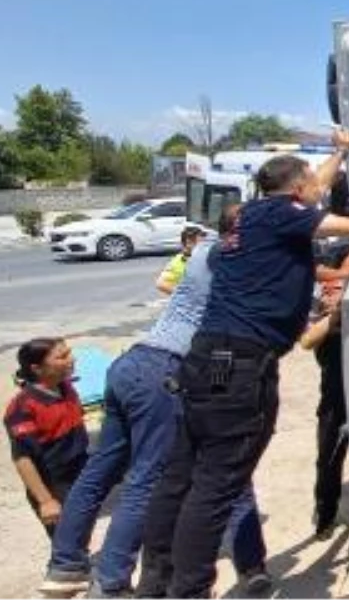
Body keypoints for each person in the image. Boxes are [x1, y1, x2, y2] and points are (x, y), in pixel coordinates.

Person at [137, 150, 349, 597]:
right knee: (214, 490)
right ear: (297, 190)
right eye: (311, 185)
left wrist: (340, 151)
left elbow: (316, 185)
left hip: (206, 361)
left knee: (180, 478)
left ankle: (154, 584)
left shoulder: (247, 218)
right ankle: (188, 591)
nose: (319, 189)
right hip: (240, 370)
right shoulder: (280, 215)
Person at [41, 206, 273, 598]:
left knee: (102, 468)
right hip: (167, 372)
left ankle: (65, 566)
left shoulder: (203, 252)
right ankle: (112, 584)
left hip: (134, 363)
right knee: (148, 481)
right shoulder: (227, 255)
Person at [299, 239, 349, 540]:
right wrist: (334, 317)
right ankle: (325, 513)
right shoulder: (322, 296)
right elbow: (307, 341)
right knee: (330, 450)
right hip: (336, 392)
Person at [3, 338, 85, 538]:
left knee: (81, 535)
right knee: (66, 543)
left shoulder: (65, 387)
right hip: (54, 484)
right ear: (37, 368)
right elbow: (23, 459)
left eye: (69, 353)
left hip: (78, 474)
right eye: (62, 357)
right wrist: (46, 500)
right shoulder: (23, 407)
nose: (71, 359)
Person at [156, 226, 205, 295]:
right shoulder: (179, 261)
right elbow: (161, 283)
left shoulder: (206, 257)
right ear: (186, 244)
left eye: (203, 244)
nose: (202, 247)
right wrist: (185, 295)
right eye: (198, 243)